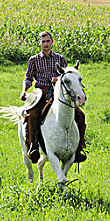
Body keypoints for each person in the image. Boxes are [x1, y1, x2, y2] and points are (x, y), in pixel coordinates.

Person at [21, 31, 87, 164]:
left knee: (80, 115)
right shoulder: (33, 60)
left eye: (47, 41)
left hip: (59, 91)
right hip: (40, 91)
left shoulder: (60, 58)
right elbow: (28, 78)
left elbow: (66, 76)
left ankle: (79, 149)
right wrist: (24, 91)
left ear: (52, 42)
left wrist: (59, 79)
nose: (45, 44)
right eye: (43, 41)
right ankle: (33, 147)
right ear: (39, 43)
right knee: (32, 114)